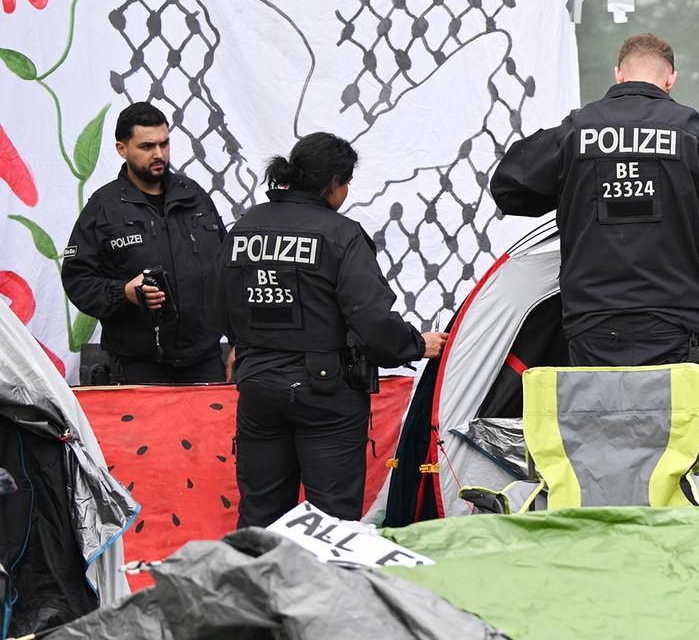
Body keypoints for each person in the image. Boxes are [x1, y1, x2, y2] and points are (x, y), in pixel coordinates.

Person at [491, 34, 699, 367]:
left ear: (618, 74)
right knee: (673, 418)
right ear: (671, 79)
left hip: (590, 317)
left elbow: (508, 189)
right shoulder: (690, 134)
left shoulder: (575, 131)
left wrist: (572, 193)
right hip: (673, 317)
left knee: (596, 416)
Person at [221, 133, 445, 527]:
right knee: (332, 521)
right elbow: (373, 324)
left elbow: (216, 308)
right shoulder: (340, 234)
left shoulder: (244, 229)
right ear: (334, 183)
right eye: (346, 183)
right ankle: (328, 590)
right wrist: (415, 344)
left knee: (260, 516)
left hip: (258, 387)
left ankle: (253, 589)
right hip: (326, 395)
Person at [61, 103, 227, 384]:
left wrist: (239, 345)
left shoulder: (195, 197)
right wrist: (123, 292)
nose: (159, 154)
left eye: (164, 144)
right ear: (121, 149)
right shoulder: (104, 208)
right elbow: (78, 280)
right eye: (147, 146)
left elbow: (228, 272)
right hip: (139, 367)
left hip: (205, 361)